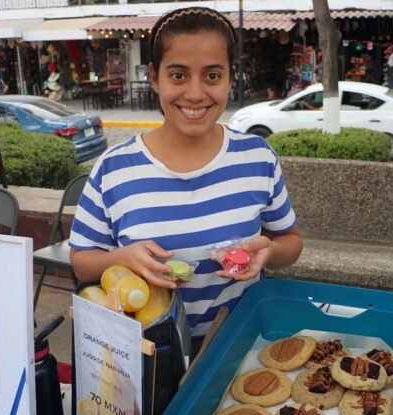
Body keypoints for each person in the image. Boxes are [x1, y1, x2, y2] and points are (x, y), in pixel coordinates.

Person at [69, 7, 302, 348]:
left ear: (230, 78)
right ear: (154, 77)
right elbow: (82, 262)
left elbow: (291, 242)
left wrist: (270, 251)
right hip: (150, 354)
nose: (195, 93)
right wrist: (122, 258)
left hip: (240, 348)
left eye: (212, 76)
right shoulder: (113, 169)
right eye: (178, 75)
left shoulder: (258, 157)